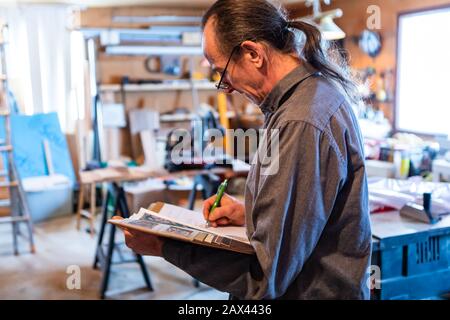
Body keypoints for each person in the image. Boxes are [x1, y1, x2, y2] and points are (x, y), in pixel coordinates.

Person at [117, 0, 372, 299]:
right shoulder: (307, 98)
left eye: (222, 71)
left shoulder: (300, 121)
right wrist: (252, 215)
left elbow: (264, 277)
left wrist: (166, 247)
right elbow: (308, 214)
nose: (227, 86)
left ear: (253, 54)